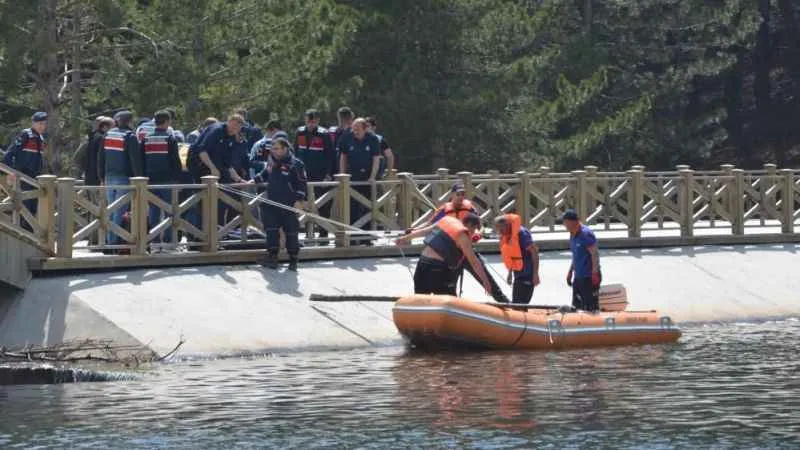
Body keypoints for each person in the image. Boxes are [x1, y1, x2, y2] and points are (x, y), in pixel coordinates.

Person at [407, 183, 510, 303]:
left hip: (466, 250)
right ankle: (450, 307)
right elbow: (429, 225)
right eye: (458, 194)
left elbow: (480, 227)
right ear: (452, 195)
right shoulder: (444, 211)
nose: (461, 197)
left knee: (485, 277)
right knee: (450, 282)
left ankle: (505, 303)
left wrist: (478, 234)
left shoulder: (470, 208)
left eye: (463, 194)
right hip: (451, 253)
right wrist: (413, 230)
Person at [395, 213, 492, 297]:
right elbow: (474, 262)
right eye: (475, 229)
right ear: (471, 226)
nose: (473, 233)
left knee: (422, 298)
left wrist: (405, 238)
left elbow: (426, 231)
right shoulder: (463, 235)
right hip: (438, 268)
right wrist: (485, 281)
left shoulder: (446, 220)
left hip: (422, 264)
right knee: (448, 300)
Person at [252, 137, 307, 271]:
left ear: (285, 149)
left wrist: (299, 200)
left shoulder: (296, 164)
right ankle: (272, 257)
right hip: (272, 203)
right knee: (271, 230)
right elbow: (264, 175)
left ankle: (293, 260)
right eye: (272, 148)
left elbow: (302, 184)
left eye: (276, 148)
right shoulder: (271, 162)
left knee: (291, 233)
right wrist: (250, 181)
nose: (273, 151)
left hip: (288, 204)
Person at [98, 110, 143, 248]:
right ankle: (113, 243)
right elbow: (135, 160)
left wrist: (101, 176)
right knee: (119, 211)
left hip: (109, 176)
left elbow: (101, 157)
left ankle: (107, 241)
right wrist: (138, 178)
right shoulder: (129, 136)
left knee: (111, 210)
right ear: (130, 122)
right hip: (124, 177)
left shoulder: (108, 135)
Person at [141, 110, 182, 251]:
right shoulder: (170, 139)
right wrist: (177, 179)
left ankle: (154, 241)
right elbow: (175, 161)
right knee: (170, 211)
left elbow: (142, 160)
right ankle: (169, 242)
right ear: (166, 122)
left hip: (150, 180)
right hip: (167, 180)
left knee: (153, 211)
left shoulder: (146, 138)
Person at [2, 111, 49, 231]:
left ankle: (29, 233)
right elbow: (10, 153)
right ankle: (21, 232)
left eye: (44, 124)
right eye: (39, 123)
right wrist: (10, 171)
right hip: (22, 176)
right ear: (33, 123)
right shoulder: (26, 134)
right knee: (24, 206)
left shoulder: (41, 138)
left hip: (35, 177)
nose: (42, 126)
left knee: (32, 206)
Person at [295, 109, 335, 245]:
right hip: (303, 175)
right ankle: (309, 234)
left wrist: (328, 174)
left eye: (313, 121)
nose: (311, 124)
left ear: (318, 121)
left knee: (323, 205)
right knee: (305, 205)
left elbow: (331, 156)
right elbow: (295, 153)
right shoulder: (299, 132)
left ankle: (323, 235)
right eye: (308, 121)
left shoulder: (324, 134)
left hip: (320, 175)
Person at [338, 117, 380, 245]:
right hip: (352, 179)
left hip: (367, 179)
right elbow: (343, 157)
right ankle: (351, 237)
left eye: (357, 129)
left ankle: (366, 237)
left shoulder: (373, 139)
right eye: (353, 129)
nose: (355, 132)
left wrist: (373, 176)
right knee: (352, 207)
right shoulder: (347, 138)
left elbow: (376, 159)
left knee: (368, 207)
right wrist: (342, 174)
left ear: (365, 128)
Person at [494, 213, 540, 304]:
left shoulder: (522, 234)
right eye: (498, 230)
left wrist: (535, 274)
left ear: (507, 225)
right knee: (517, 303)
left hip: (528, 274)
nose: (500, 232)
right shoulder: (508, 236)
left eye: (501, 229)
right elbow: (512, 255)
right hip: (518, 275)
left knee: (520, 304)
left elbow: (534, 253)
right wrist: (510, 273)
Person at [562, 209, 601, 312]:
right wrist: (570, 271)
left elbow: (594, 254)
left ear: (572, 221)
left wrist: (595, 273)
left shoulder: (585, 234)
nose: (564, 224)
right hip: (578, 276)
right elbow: (575, 255)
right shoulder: (572, 234)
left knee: (590, 307)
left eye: (565, 222)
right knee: (576, 306)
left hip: (589, 276)